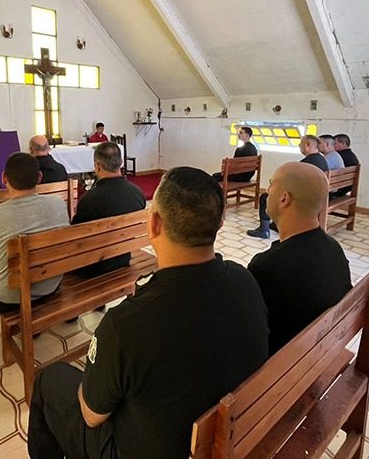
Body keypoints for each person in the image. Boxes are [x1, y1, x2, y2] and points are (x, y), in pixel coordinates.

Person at [27, 167, 268, 459]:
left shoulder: (124, 323)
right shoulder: (245, 280)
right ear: (220, 223)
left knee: (49, 379)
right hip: (220, 436)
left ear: (153, 224)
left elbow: (91, 416)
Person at [0, 153, 68, 360]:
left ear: (4, 178)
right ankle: (33, 329)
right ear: (39, 177)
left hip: (6, 299)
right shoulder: (58, 204)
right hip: (49, 286)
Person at [248, 162, 352, 353]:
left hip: (284, 362)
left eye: (271, 185)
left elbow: (250, 332)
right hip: (320, 351)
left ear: (284, 199)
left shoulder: (268, 266)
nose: (267, 190)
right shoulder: (333, 248)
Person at [71, 142, 146, 277]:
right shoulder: (138, 194)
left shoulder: (89, 199)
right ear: (121, 162)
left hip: (91, 266)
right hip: (123, 258)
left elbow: (75, 235)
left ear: (97, 166)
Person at [246, 135, 328, 238]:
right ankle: (277, 224)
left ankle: (264, 230)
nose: (299, 145)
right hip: (315, 196)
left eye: (301, 143)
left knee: (265, 197)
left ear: (307, 145)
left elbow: (292, 183)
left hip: (303, 198)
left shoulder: (307, 163)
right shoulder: (321, 159)